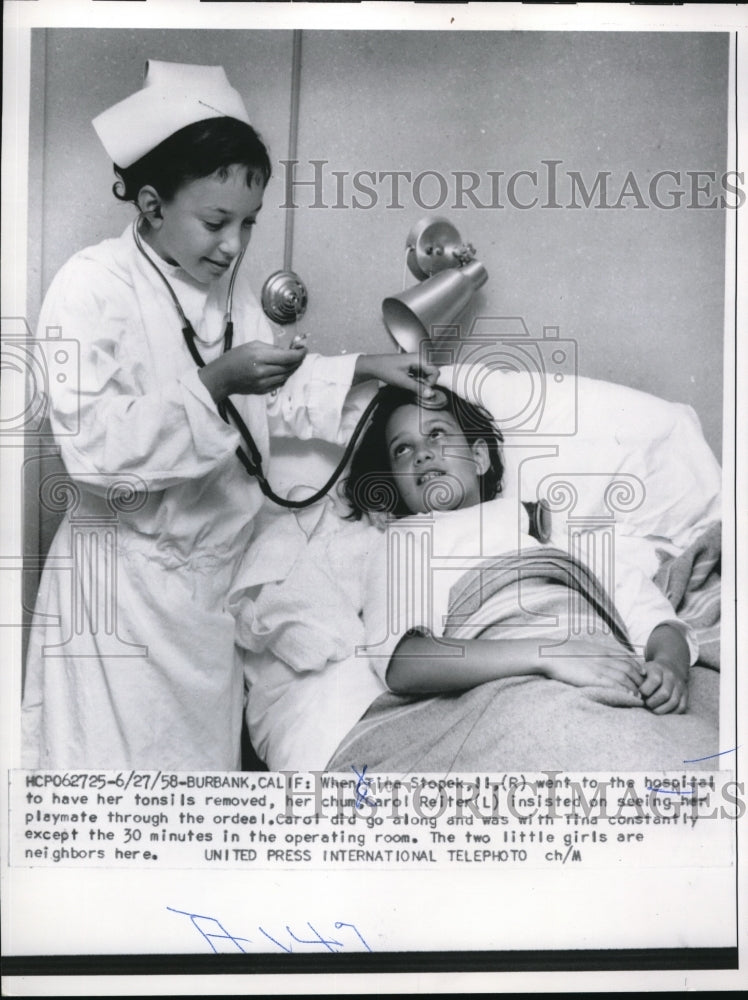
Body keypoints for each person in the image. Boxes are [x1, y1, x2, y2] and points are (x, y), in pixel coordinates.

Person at [21, 60, 439, 770]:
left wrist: (364, 369)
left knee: (192, 819)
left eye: (247, 223)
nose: (235, 245)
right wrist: (213, 381)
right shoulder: (89, 287)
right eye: (216, 222)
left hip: (203, 604)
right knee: (104, 808)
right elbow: (92, 447)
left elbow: (260, 413)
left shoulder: (230, 295)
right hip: (120, 597)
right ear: (152, 205)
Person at [231, 383, 697, 769]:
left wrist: (670, 667)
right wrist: (549, 653)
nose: (422, 454)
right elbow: (405, 661)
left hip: (609, 670)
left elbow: (652, 617)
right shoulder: (407, 541)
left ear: (479, 458)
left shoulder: (555, 531)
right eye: (403, 450)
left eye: (437, 435)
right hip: (519, 686)